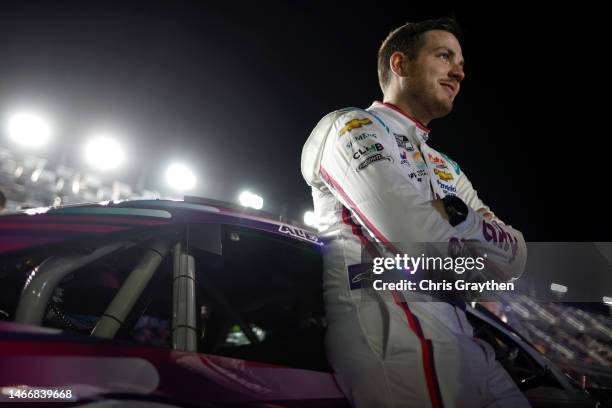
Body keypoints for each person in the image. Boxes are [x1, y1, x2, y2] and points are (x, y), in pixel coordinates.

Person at [301, 18, 530, 407]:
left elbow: (517, 256)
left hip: (467, 344)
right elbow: (413, 239)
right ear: (400, 65)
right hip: (397, 340)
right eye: (444, 56)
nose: (459, 71)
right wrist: (478, 248)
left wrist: (452, 214)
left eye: (460, 61)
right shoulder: (350, 127)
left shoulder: (446, 166)